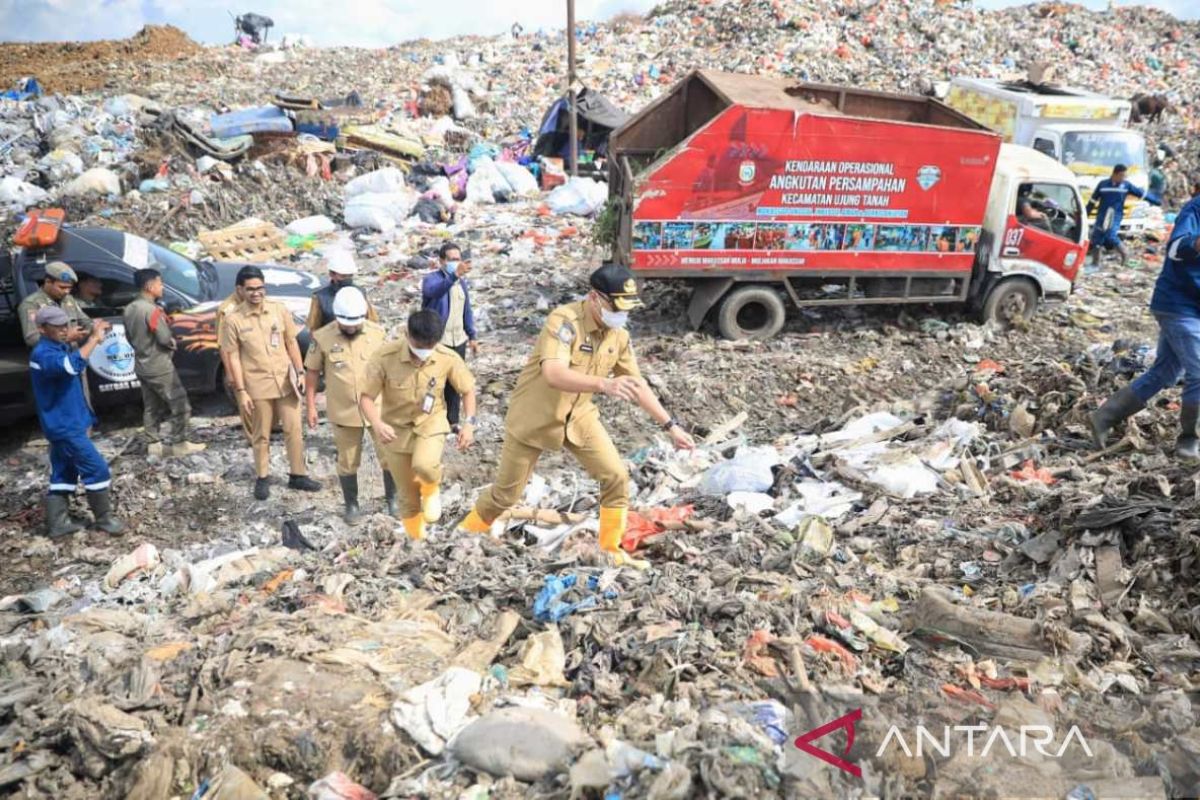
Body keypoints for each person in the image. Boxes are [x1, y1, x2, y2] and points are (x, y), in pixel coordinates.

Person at [457, 263, 695, 568]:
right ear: (595, 297)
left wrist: (670, 425)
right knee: (506, 495)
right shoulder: (564, 321)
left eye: (627, 308)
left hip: (579, 416)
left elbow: (637, 384)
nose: (622, 315)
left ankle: (610, 549)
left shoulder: (618, 335)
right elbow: (554, 373)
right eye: (617, 307)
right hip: (536, 416)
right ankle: (466, 533)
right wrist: (604, 384)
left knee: (616, 476)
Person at [1091, 177, 1200, 459]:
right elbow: (1176, 248)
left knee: (1165, 372)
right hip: (1178, 306)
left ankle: (1104, 417)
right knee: (1199, 372)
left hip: (1190, 308)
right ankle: (1189, 440)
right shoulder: (1194, 210)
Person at [360, 310, 477, 541]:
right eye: (419, 345)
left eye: (429, 345)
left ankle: (432, 488)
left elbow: (467, 390)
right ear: (407, 334)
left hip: (430, 423)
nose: (424, 351)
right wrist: (377, 423)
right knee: (407, 497)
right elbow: (365, 397)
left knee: (424, 465)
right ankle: (417, 540)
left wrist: (469, 424)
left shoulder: (447, 357)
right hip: (395, 430)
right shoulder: (385, 357)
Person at [220, 266, 321, 500]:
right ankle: (263, 477)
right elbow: (232, 356)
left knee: (294, 430)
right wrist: (241, 390)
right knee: (261, 434)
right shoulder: (233, 319)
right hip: (257, 384)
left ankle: (298, 475)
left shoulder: (278, 310)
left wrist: (299, 370)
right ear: (240, 290)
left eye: (260, 288)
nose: (256, 293)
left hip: (286, 381)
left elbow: (291, 342)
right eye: (251, 289)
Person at [29, 307, 124, 536]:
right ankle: (104, 520)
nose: (64, 330)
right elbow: (70, 366)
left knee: (64, 472)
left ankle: (58, 524)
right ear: (42, 329)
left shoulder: (53, 347)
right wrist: (93, 339)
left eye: (65, 325)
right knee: (97, 469)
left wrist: (75, 338)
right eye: (58, 327)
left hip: (65, 423)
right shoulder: (43, 354)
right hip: (65, 426)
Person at [304, 286, 394, 522]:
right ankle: (352, 505)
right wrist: (311, 405)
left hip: (378, 409)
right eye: (347, 324)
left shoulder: (377, 333)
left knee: (390, 454)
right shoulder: (322, 337)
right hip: (344, 411)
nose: (352, 328)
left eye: (356, 323)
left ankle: (393, 500)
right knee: (347, 460)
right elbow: (312, 372)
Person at [123, 268, 206, 457]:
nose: (162, 288)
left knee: (151, 406)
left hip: (141, 363)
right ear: (150, 286)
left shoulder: (129, 309)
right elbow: (163, 337)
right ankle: (179, 443)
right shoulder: (152, 310)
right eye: (160, 284)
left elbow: (129, 336)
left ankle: (154, 444)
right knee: (180, 404)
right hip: (159, 364)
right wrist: (171, 343)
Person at [421, 242, 478, 428]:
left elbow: (466, 309)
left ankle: (452, 421)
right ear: (442, 261)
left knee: (455, 382)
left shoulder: (462, 282)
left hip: (458, 339)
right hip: (438, 340)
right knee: (433, 381)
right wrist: (454, 275)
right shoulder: (432, 279)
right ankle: (429, 419)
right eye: (452, 259)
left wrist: (472, 336)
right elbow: (434, 292)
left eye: (458, 259)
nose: (456, 262)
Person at [1086, 164, 1160, 267]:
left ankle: (1125, 254)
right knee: (1097, 237)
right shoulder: (1102, 185)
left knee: (1110, 235)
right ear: (1115, 174)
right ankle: (1095, 263)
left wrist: (1156, 201)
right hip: (1102, 214)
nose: (1124, 178)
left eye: (1125, 176)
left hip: (1115, 215)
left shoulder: (1126, 185)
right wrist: (1085, 214)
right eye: (1122, 176)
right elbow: (1093, 201)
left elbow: (1141, 193)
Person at [18, 261, 93, 347]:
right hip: (51, 356)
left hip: (72, 355)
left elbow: (85, 321)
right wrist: (66, 337)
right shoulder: (31, 304)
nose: (66, 291)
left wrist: (88, 329)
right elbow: (31, 338)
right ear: (48, 282)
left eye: (70, 288)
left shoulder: (68, 300)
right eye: (62, 287)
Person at [306, 250, 379, 332]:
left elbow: (372, 322)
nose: (347, 279)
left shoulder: (360, 292)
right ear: (332, 274)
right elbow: (314, 328)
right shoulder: (321, 297)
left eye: (350, 276)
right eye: (343, 276)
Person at [216, 284, 254, 438]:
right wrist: (230, 372)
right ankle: (253, 437)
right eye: (250, 289)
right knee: (245, 402)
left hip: (256, 360)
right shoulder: (227, 310)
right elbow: (224, 346)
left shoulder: (251, 303)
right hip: (239, 362)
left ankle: (267, 429)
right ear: (239, 289)